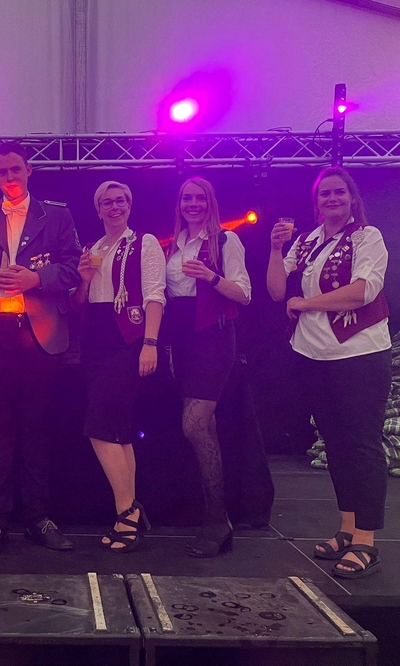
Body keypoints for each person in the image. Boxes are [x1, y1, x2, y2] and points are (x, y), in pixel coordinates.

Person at [266, 166, 392, 579]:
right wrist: (275, 249)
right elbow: (276, 291)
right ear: (316, 203)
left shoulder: (367, 237)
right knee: (336, 445)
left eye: (339, 192)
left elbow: (363, 292)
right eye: (325, 194)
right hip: (313, 354)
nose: (332, 198)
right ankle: (348, 528)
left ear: (352, 198)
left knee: (362, 445)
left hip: (359, 353)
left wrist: (306, 304)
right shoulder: (306, 242)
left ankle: (367, 541)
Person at [0, 142, 81, 555]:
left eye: (15, 169)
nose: (9, 177)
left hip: (40, 331)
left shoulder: (57, 214)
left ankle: (38, 517)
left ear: (29, 170)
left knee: (36, 425)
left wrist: (37, 278)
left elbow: (73, 268)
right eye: (2, 172)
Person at [70, 181, 165, 552]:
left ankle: (128, 512)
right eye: (107, 202)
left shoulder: (144, 242)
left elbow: (155, 294)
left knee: (99, 426)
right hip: (95, 342)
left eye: (121, 200)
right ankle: (129, 512)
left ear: (129, 204)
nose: (115, 207)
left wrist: (150, 343)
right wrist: (82, 281)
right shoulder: (92, 249)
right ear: (98, 210)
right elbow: (79, 304)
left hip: (128, 339)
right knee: (117, 430)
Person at [163, 177, 251, 558]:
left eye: (200, 198)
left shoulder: (226, 240)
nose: (193, 203)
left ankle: (217, 520)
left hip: (213, 338)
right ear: (180, 203)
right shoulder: (173, 244)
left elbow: (244, 294)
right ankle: (215, 517)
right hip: (182, 340)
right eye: (187, 198)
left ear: (210, 202)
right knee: (205, 429)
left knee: (194, 426)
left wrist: (210, 276)